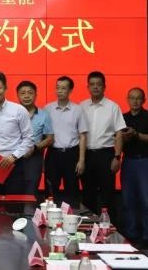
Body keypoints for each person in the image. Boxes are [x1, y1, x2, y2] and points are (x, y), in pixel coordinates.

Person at [80, 71, 126, 219]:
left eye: (99, 84)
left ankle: (110, 229)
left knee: (108, 195)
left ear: (104, 87)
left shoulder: (113, 106)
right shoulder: (81, 106)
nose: (95, 87)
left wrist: (117, 157)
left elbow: (119, 133)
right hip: (87, 155)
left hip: (106, 155)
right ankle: (89, 228)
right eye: (92, 84)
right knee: (88, 195)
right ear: (87, 87)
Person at [119, 88, 148, 250]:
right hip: (128, 161)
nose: (135, 101)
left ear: (144, 100)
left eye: (138, 98)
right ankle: (131, 234)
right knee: (128, 200)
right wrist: (123, 138)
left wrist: (136, 134)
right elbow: (117, 138)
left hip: (145, 161)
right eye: (132, 98)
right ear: (127, 99)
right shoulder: (123, 118)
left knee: (147, 201)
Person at [44, 75, 88, 207]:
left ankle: (72, 216)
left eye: (63, 88)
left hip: (72, 154)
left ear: (70, 90)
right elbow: (44, 136)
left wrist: (81, 160)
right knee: (50, 191)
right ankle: (49, 217)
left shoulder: (78, 109)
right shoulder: (48, 108)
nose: (60, 91)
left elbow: (82, 136)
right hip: (53, 154)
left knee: (72, 190)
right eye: (57, 88)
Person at [16, 80, 54, 197]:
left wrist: (34, 148)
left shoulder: (44, 115)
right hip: (13, 158)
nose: (26, 96)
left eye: (30, 93)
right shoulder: (11, 113)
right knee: (14, 191)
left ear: (36, 95)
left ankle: (29, 209)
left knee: (31, 191)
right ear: (17, 95)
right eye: (23, 93)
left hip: (34, 157)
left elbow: (50, 139)